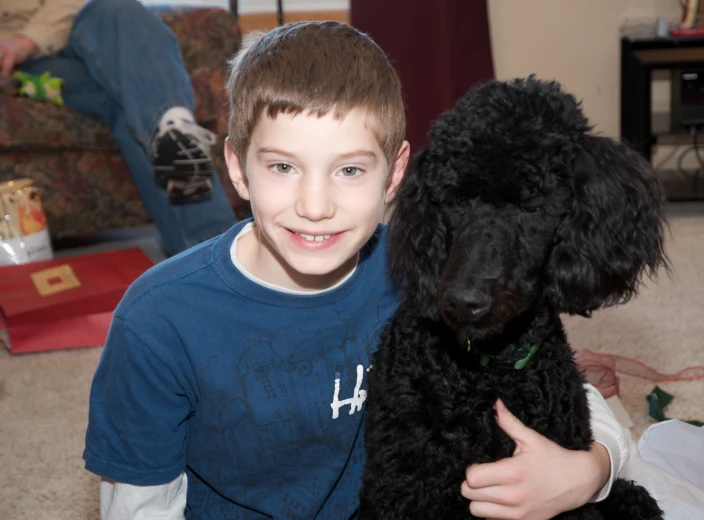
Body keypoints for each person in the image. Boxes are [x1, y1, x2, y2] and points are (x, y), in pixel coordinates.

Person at [83, 21, 630, 520]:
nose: (315, 204)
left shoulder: (429, 273)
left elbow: (569, 396)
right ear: (236, 167)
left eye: (348, 169)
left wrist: (590, 470)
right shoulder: (158, 320)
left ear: (395, 175)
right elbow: (136, 508)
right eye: (282, 167)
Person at [0, 0, 237, 254]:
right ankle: (215, 255)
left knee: (117, 6)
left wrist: (27, 40)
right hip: (29, 64)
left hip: (80, 26)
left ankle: (173, 125)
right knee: (132, 106)